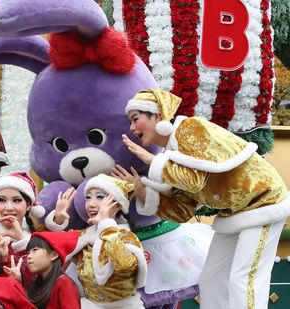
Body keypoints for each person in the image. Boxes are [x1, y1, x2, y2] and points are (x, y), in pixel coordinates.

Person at [122, 89, 290, 308]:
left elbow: (194, 181)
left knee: (243, 279)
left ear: (157, 115)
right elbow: (183, 211)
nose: (132, 128)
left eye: (136, 119)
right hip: (233, 214)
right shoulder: (170, 155)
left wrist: (151, 160)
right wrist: (142, 192)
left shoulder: (191, 128)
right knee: (210, 279)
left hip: (263, 202)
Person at [47, 174, 147, 308]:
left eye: (100, 197)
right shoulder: (83, 237)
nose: (90, 204)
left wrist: (106, 225)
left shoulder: (126, 237)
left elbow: (124, 264)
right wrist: (57, 220)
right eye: (88, 197)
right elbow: (48, 250)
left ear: (117, 205)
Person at [22, 232, 81, 309]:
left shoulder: (64, 284)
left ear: (53, 255)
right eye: (28, 252)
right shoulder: (38, 283)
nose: (29, 256)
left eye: (35, 250)